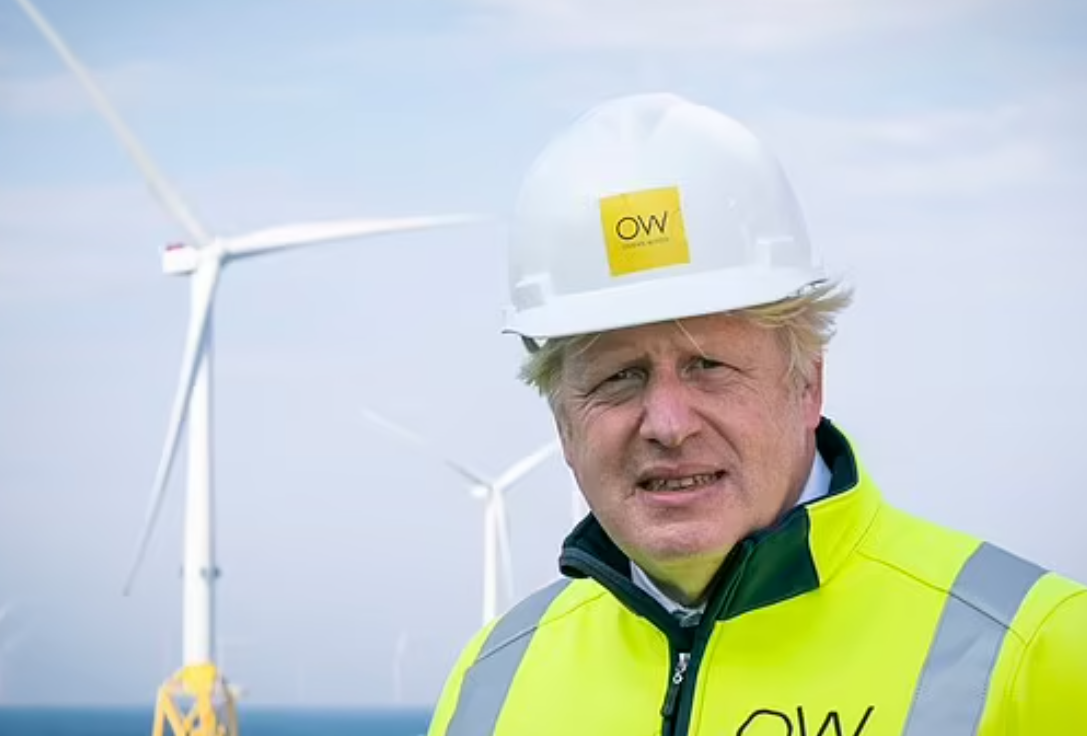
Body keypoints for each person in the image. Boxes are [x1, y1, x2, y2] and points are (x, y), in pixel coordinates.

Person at [425, 93, 1087, 736]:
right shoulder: (490, 687)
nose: (668, 424)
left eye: (708, 365)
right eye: (618, 377)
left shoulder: (1034, 650)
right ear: (562, 422)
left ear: (808, 385)